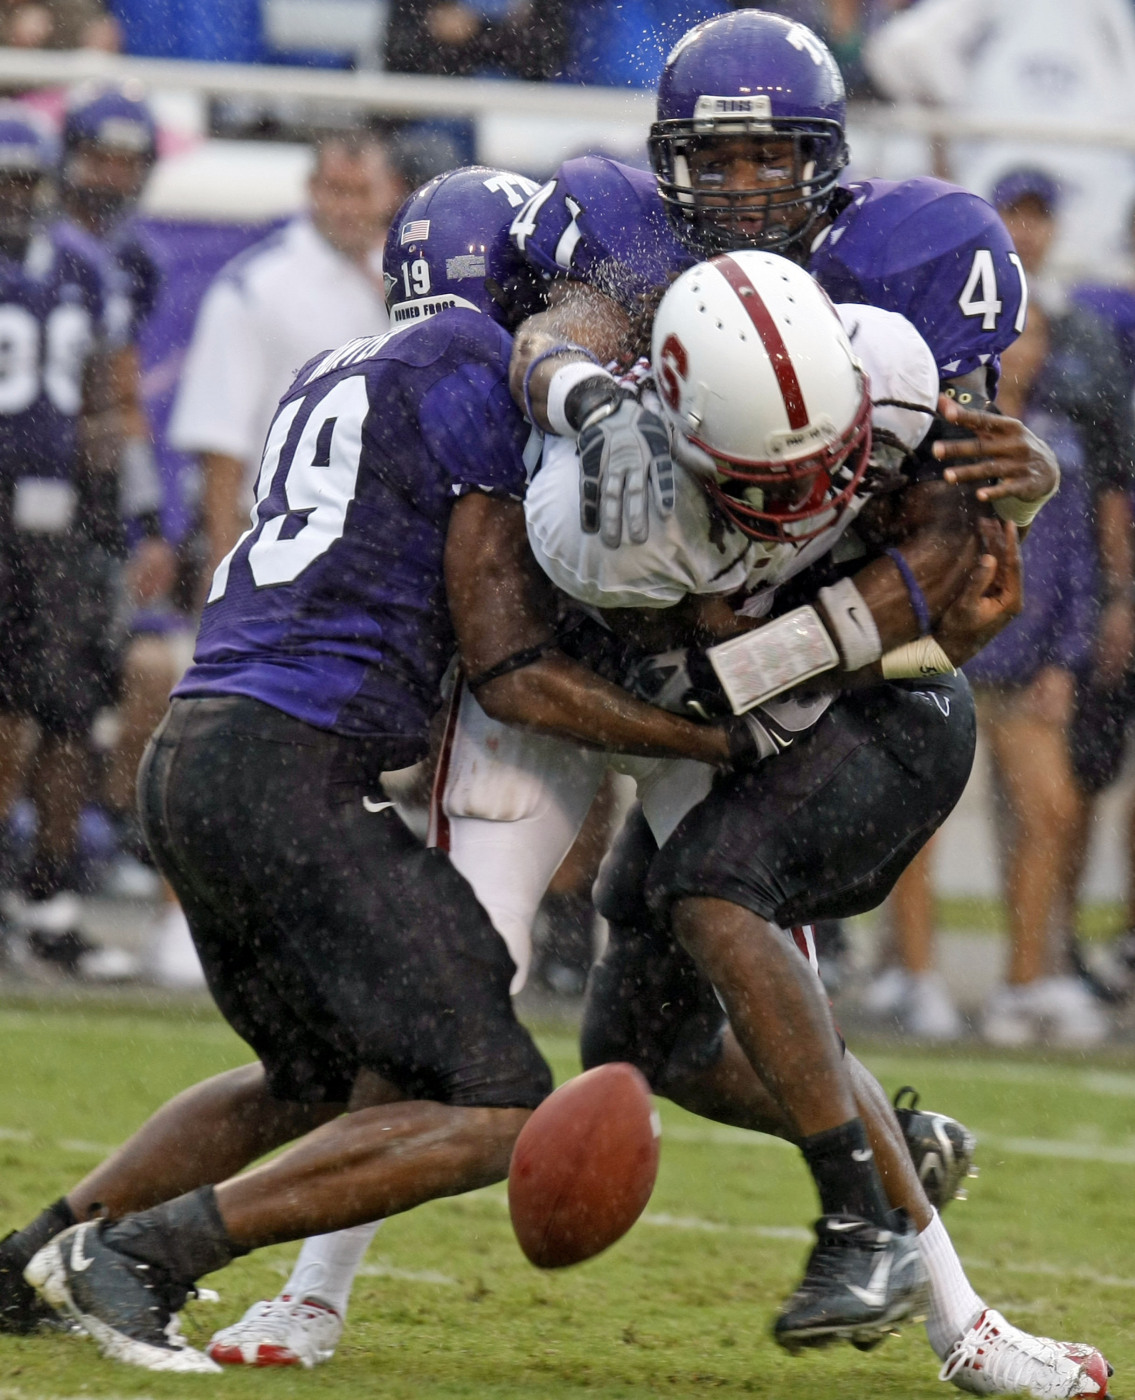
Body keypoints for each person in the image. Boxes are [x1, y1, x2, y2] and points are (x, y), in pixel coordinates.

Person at [3, 167, 760, 1375]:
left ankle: (33, 1258)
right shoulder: (472, 379)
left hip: (198, 751)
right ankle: (138, 1257)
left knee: (309, 1074)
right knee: (494, 1099)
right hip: (292, 771)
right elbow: (509, 667)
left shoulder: (337, 369)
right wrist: (705, 733)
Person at [56, 86, 203, 986]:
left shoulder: (131, 266)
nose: (112, 175)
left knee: (63, 698)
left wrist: (145, 517)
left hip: (78, 510)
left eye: (128, 159)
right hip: (26, 484)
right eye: (98, 155)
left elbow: (120, 399)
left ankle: (56, 876)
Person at [0, 103, 130, 975]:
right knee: (9, 711)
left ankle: (49, 896)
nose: (15, 198)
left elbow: (113, 398)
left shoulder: (85, 269)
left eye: (25, 182)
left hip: (66, 526)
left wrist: (132, 513)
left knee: (70, 714)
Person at [168, 130, 409, 591]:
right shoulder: (255, 287)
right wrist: (223, 567)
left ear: (391, 191)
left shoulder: (409, 279)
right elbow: (221, 441)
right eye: (337, 191)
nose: (348, 208)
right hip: (279, 537)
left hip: (385, 535)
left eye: (362, 193)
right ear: (312, 189)